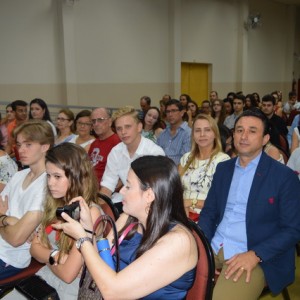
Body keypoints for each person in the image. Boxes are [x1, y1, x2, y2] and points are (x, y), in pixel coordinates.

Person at [53, 155, 198, 299]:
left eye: (128, 186)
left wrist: (83, 240)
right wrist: (87, 228)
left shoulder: (178, 242)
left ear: (149, 195)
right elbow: (100, 263)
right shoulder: (129, 218)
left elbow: (113, 293)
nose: (121, 191)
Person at [198, 110, 300, 300]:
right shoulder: (224, 169)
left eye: (252, 131)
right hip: (214, 244)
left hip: (254, 253)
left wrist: (256, 254)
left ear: (265, 139)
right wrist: (200, 242)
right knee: (169, 281)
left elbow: (292, 230)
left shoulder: (283, 177)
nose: (244, 136)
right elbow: (210, 212)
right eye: (239, 130)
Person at [5, 143, 103, 300]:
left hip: (70, 291)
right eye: (48, 176)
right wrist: (57, 256)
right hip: (45, 277)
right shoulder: (55, 203)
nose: (50, 183)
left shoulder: (90, 213)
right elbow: (33, 249)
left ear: (77, 176)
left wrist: (48, 255)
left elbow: (68, 274)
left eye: (57, 176)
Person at [0, 120, 54, 279]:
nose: (21, 150)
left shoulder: (49, 184)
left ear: (45, 146)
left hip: (8, 257)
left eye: (28, 144)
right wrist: (11, 220)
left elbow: (16, 239)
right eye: (19, 144)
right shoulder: (19, 175)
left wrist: (3, 217)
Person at [100, 106, 164, 212]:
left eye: (128, 127)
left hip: (150, 205)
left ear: (139, 127)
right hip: (123, 202)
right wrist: (96, 207)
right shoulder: (115, 152)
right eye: (119, 128)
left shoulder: (154, 153)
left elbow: (157, 193)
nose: (123, 132)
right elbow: (107, 186)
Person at [179, 114, 230, 220]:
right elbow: (174, 189)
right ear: (193, 135)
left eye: (207, 130)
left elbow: (221, 201)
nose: (202, 134)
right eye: (197, 130)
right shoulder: (186, 158)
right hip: (182, 213)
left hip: (208, 217)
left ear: (215, 134)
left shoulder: (223, 160)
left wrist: (190, 202)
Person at [88, 107, 120, 184]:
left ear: (110, 122)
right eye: (93, 121)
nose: (96, 124)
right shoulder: (94, 143)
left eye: (100, 120)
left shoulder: (118, 142)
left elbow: (121, 177)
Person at [157, 99, 191, 165]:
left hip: (179, 171)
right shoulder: (163, 133)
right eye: (168, 111)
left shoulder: (188, 133)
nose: (170, 114)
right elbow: (156, 154)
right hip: (160, 170)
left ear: (182, 113)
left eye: (173, 111)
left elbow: (185, 160)